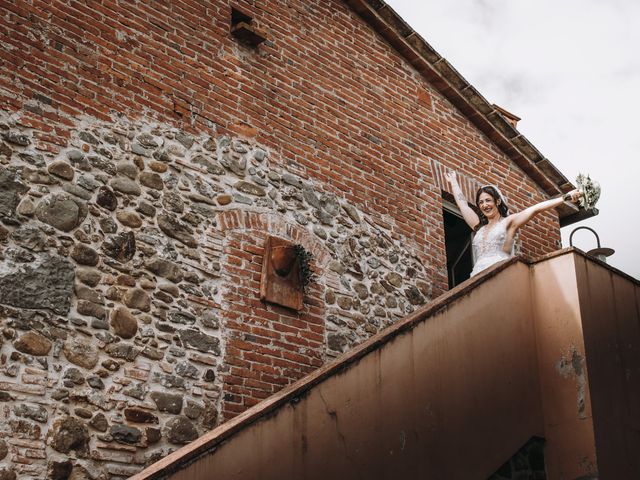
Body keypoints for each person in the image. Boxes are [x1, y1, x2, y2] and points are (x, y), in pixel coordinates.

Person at [444, 170, 582, 277]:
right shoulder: (479, 227)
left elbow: (535, 209)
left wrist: (565, 198)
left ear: (497, 202)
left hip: (500, 271)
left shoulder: (508, 222)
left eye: (488, 200)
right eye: (481, 202)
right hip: (477, 274)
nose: (484, 205)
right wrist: (453, 182)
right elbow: (463, 205)